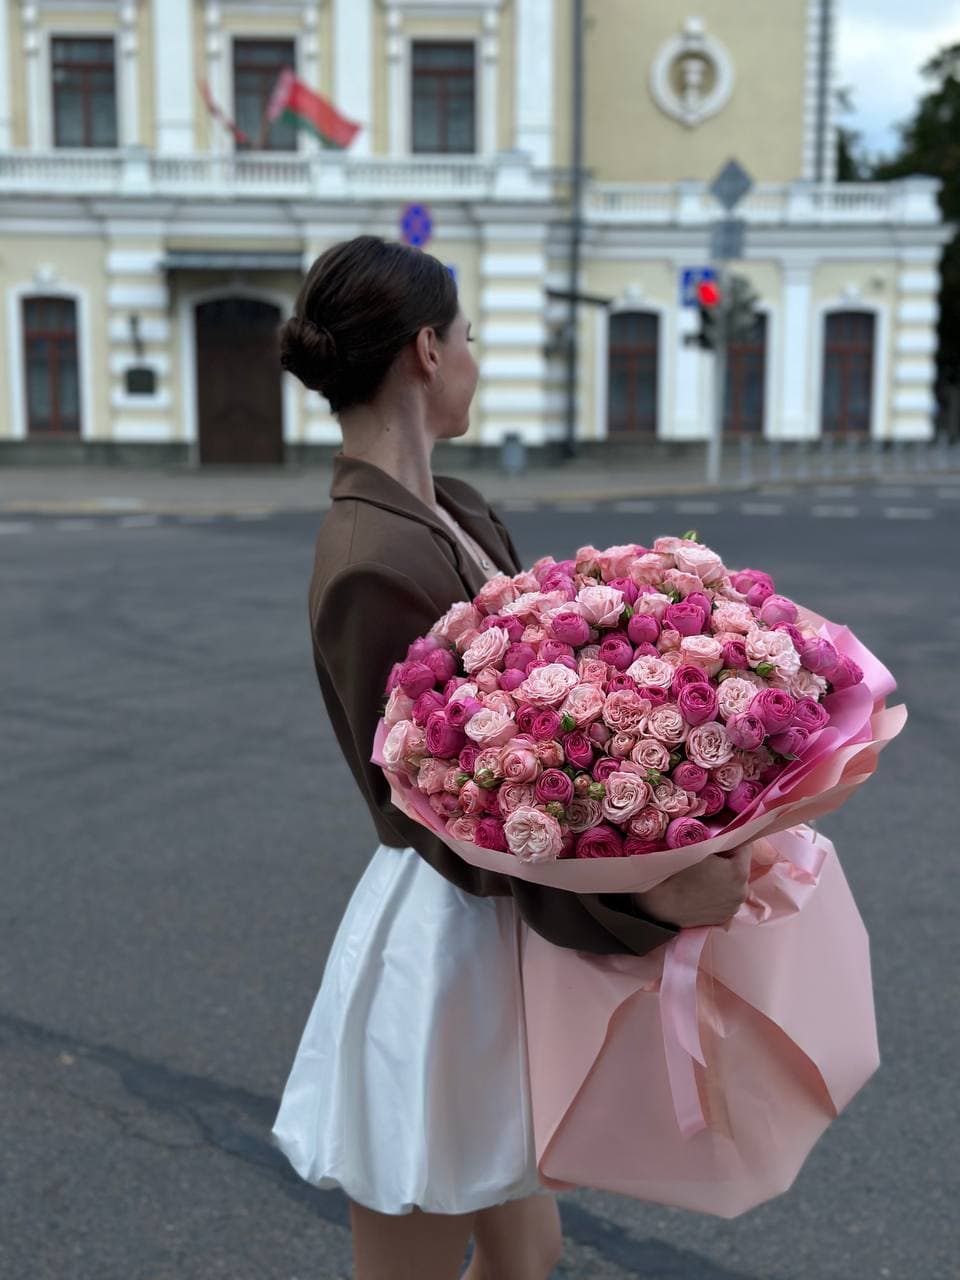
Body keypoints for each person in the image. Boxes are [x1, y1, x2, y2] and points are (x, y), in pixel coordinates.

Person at [270, 235, 750, 1280]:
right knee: (416, 1242)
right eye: (471, 335)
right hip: (445, 948)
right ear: (428, 352)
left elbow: (549, 723)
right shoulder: (369, 559)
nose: (477, 356)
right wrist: (648, 901)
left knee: (527, 1255)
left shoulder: (454, 506)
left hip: (501, 937)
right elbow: (432, 821)